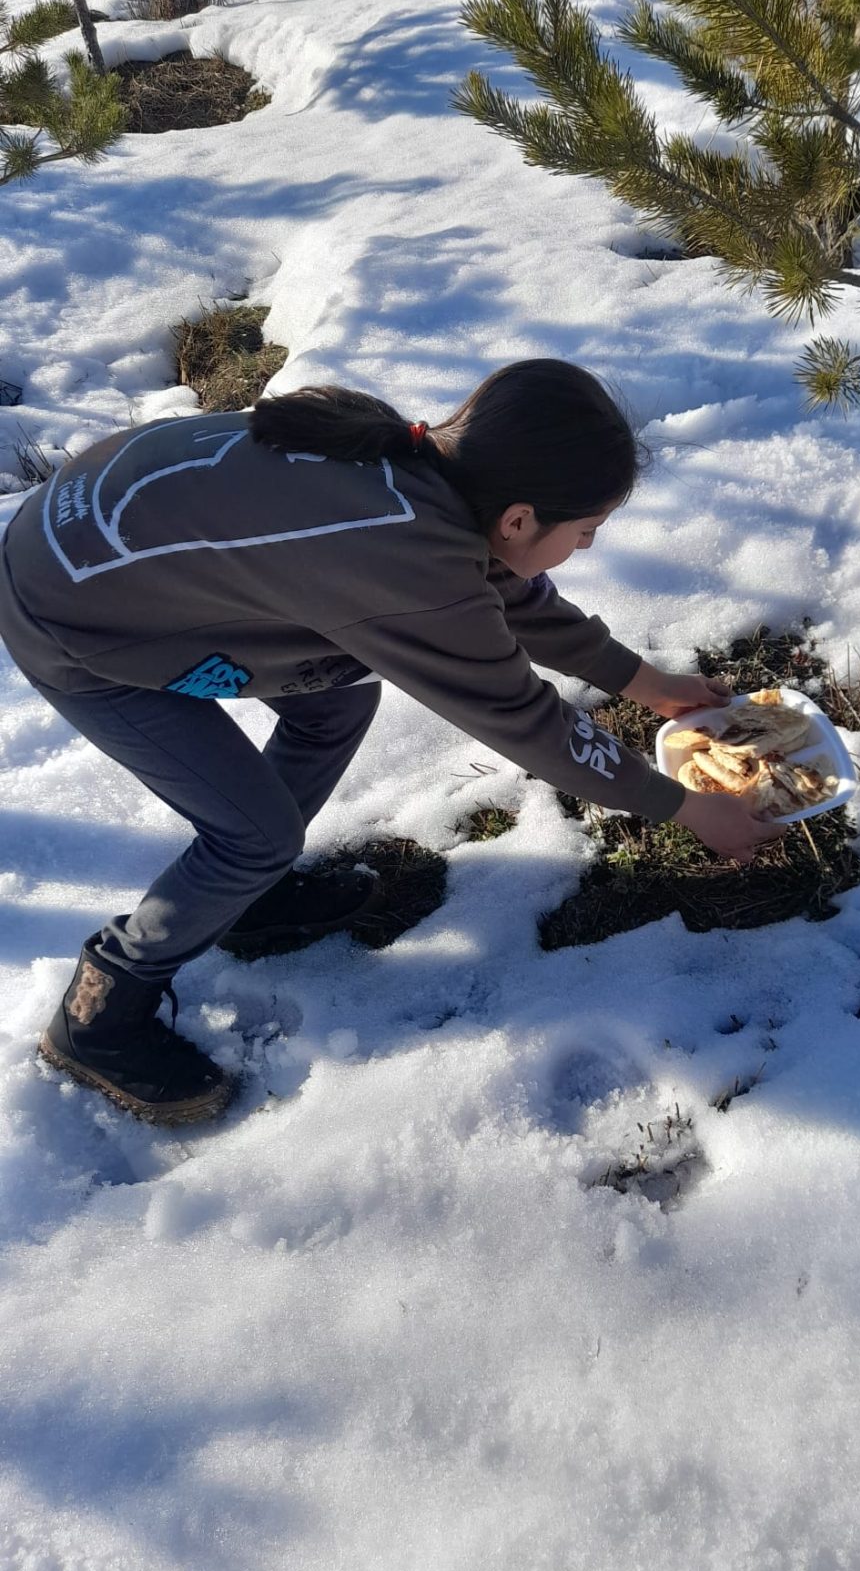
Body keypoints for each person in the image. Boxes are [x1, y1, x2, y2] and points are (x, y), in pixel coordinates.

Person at [0, 358, 777, 1127]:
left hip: (97, 554)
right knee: (253, 835)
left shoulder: (418, 466)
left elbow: (505, 593)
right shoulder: (402, 557)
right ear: (518, 519)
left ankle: (245, 897)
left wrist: (646, 683)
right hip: (72, 625)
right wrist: (684, 808)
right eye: (584, 532)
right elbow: (531, 724)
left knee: (336, 700)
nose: (586, 550)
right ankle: (100, 1012)